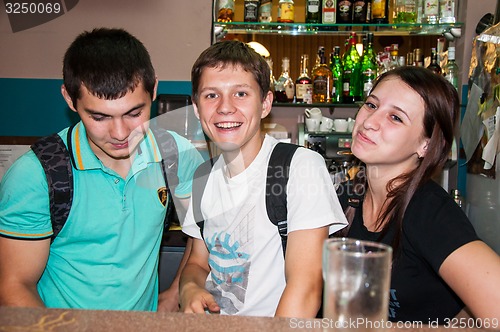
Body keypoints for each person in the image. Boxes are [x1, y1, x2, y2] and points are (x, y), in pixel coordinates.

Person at [0, 28, 203, 311]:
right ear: (70, 100)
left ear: (154, 89)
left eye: (134, 113)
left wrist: (177, 290)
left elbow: (205, 228)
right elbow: (15, 286)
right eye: (99, 116)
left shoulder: (178, 156)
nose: (120, 133)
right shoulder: (35, 176)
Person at [179, 40, 348, 318]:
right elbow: (198, 263)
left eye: (241, 94)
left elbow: (305, 288)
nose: (224, 107)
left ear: (266, 103)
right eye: (211, 95)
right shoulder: (202, 177)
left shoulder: (300, 167)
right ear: (197, 109)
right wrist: (190, 288)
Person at [337, 66, 500, 323]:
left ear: (426, 144)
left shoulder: (428, 211)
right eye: (371, 105)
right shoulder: (348, 197)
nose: (369, 122)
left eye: (396, 118)